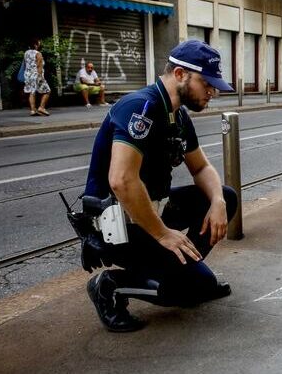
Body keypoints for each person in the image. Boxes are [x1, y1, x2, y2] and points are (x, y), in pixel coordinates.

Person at [81, 40, 238, 332]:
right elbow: (121, 180)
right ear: (180, 74)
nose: (212, 92)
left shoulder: (177, 115)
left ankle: (180, 270)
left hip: (154, 212)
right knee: (184, 292)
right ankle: (111, 286)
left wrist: (217, 201)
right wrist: (163, 234)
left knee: (226, 196)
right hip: (119, 224)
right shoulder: (140, 107)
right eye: (207, 83)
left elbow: (201, 167)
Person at [23, 38, 50, 116]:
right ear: (35, 45)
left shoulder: (26, 53)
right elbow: (39, 66)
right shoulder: (38, 53)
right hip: (36, 75)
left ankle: (33, 110)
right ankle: (41, 107)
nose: (39, 44)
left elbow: (25, 64)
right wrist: (40, 76)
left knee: (32, 92)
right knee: (48, 91)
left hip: (28, 75)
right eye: (38, 43)